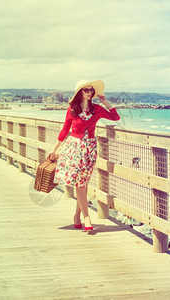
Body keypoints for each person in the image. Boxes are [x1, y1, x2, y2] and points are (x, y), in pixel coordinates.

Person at [48, 79, 120, 232]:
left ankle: (76, 216)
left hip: (90, 149)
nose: (89, 92)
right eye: (86, 90)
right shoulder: (72, 109)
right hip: (74, 149)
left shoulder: (97, 109)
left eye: (91, 90)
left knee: (84, 183)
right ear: (79, 92)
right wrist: (54, 150)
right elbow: (65, 130)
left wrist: (105, 101)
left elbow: (115, 118)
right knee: (80, 184)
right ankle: (86, 217)